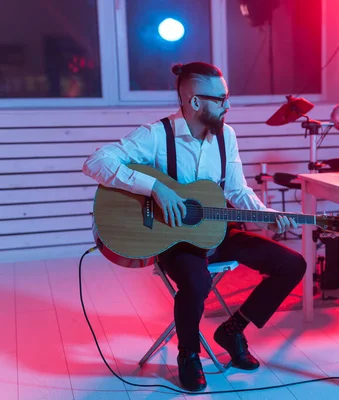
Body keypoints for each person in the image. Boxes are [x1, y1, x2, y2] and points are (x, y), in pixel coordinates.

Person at [82, 61, 307, 392]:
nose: (228, 105)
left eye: (227, 96)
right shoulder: (157, 135)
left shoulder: (225, 135)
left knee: (292, 264)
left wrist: (266, 213)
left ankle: (232, 330)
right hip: (172, 238)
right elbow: (96, 161)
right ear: (194, 101)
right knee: (197, 280)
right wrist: (155, 188)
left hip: (215, 230)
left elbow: (235, 189)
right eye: (221, 98)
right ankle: (188, 354)